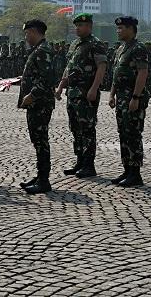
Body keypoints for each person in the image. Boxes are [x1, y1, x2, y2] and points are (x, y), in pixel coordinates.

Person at [55, 13, 108, 178]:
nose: (77, 28)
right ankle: (79, 161)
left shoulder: (96, 44)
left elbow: (102, 67)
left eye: (81, 25)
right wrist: (60, 87)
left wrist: (94, 88)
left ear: (89, 26)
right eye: (76, 25)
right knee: (75, 128)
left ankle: (89, 165)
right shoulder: (75, 44)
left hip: (86, 93)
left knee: (87, 129)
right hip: (73, 93)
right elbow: (68, 68)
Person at [108, 16, 150, 188]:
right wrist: (112, 95)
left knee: (133, 134)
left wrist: (136, 97)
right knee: (123, 134)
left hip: (132, 98)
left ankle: (135, 173)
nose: (118, 31)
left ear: (131, 29)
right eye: (117, 29)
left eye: (121, 28)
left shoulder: (138, 48)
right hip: (122, 99)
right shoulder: (121, 48)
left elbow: (142, 73)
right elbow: (116, 74)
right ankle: (127, 169)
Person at [18, 19, 56, 194]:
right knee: (37, 140)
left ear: (34, 32)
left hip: (39, 103)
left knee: (41, 141)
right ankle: (40, 176)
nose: (26, 37)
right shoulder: (38, 50)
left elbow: (45, 79)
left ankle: (44, 180)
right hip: (36, 104)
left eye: (27, 33)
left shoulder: (43, 51)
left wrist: (31, 95)